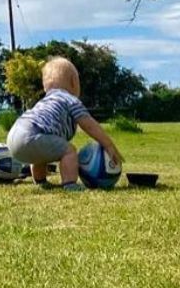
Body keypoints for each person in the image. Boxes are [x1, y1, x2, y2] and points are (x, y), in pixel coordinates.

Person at [6, 56, 123, 191]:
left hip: (14, 135)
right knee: (69, 151)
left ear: (45, 87)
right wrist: (108, 144)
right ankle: (70, 184)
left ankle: (40, 181)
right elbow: (88, 124)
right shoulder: (70, 100)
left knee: (41, 153)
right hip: (33, 134)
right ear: (74, 82)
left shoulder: (45, 101)